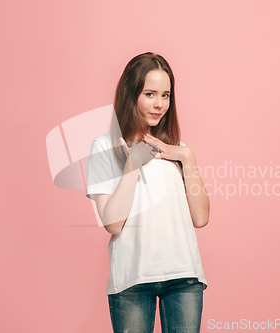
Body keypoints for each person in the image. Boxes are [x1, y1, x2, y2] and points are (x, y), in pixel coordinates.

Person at [86, 52, 209, 333]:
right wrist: (132, 163)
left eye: (165, 95)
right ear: (131, 95)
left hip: (183, 276)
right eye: (150, 94)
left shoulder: (177, 148)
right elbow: (113, 223)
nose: (159, 104)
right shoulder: (104, 147)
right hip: (132, 278)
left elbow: (200, 218)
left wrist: (187, 156)